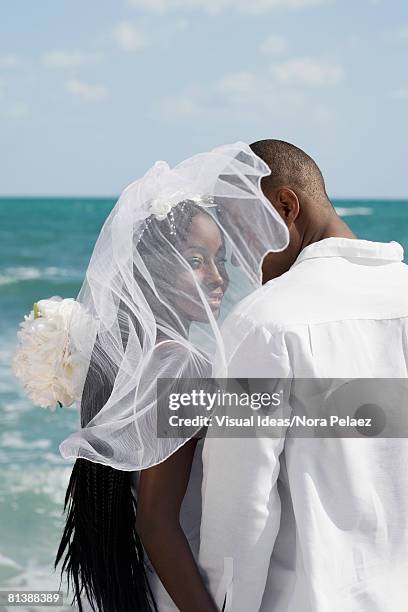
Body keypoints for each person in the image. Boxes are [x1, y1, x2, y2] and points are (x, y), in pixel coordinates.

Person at [55, 143, 289, 611]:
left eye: (219, 260)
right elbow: (157, 522)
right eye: (196, 260)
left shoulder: (146, 358)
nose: (218, 276)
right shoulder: (180, 364)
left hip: (160, 584)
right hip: (186, 592)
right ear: (156, 270)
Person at [199, 139, 408, 611]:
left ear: (286, 206)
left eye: (238, 235)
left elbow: (241, 512)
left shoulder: (264, 323)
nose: (237, 262)